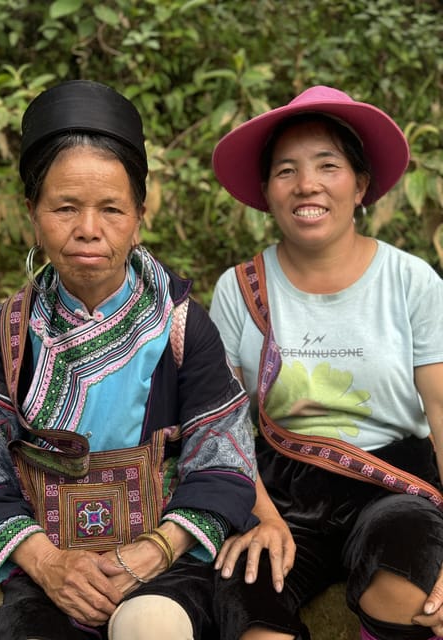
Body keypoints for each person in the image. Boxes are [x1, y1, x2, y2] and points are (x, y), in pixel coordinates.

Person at [0, 79, 258, 640]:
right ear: (33, 211)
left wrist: (151, 552)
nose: (88, 230)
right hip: (46, 570)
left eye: (112, 209)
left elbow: (224, 456)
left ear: (139, 216)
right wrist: (48, 563)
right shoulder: (7, 334)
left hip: (164, 567)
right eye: (65, 207)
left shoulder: (183, 327)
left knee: (153, 625)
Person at [209, 85, 443, 640]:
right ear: (266, 191)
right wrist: (261, 513)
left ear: (361, 184)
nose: (307, 184)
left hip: (393, 487)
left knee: (410, 584)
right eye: (286, 170)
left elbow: (441, 413)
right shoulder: (239, 290)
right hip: (279, 493)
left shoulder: (411, 282)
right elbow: (222, 424)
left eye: (328, 165)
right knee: (245, 596)